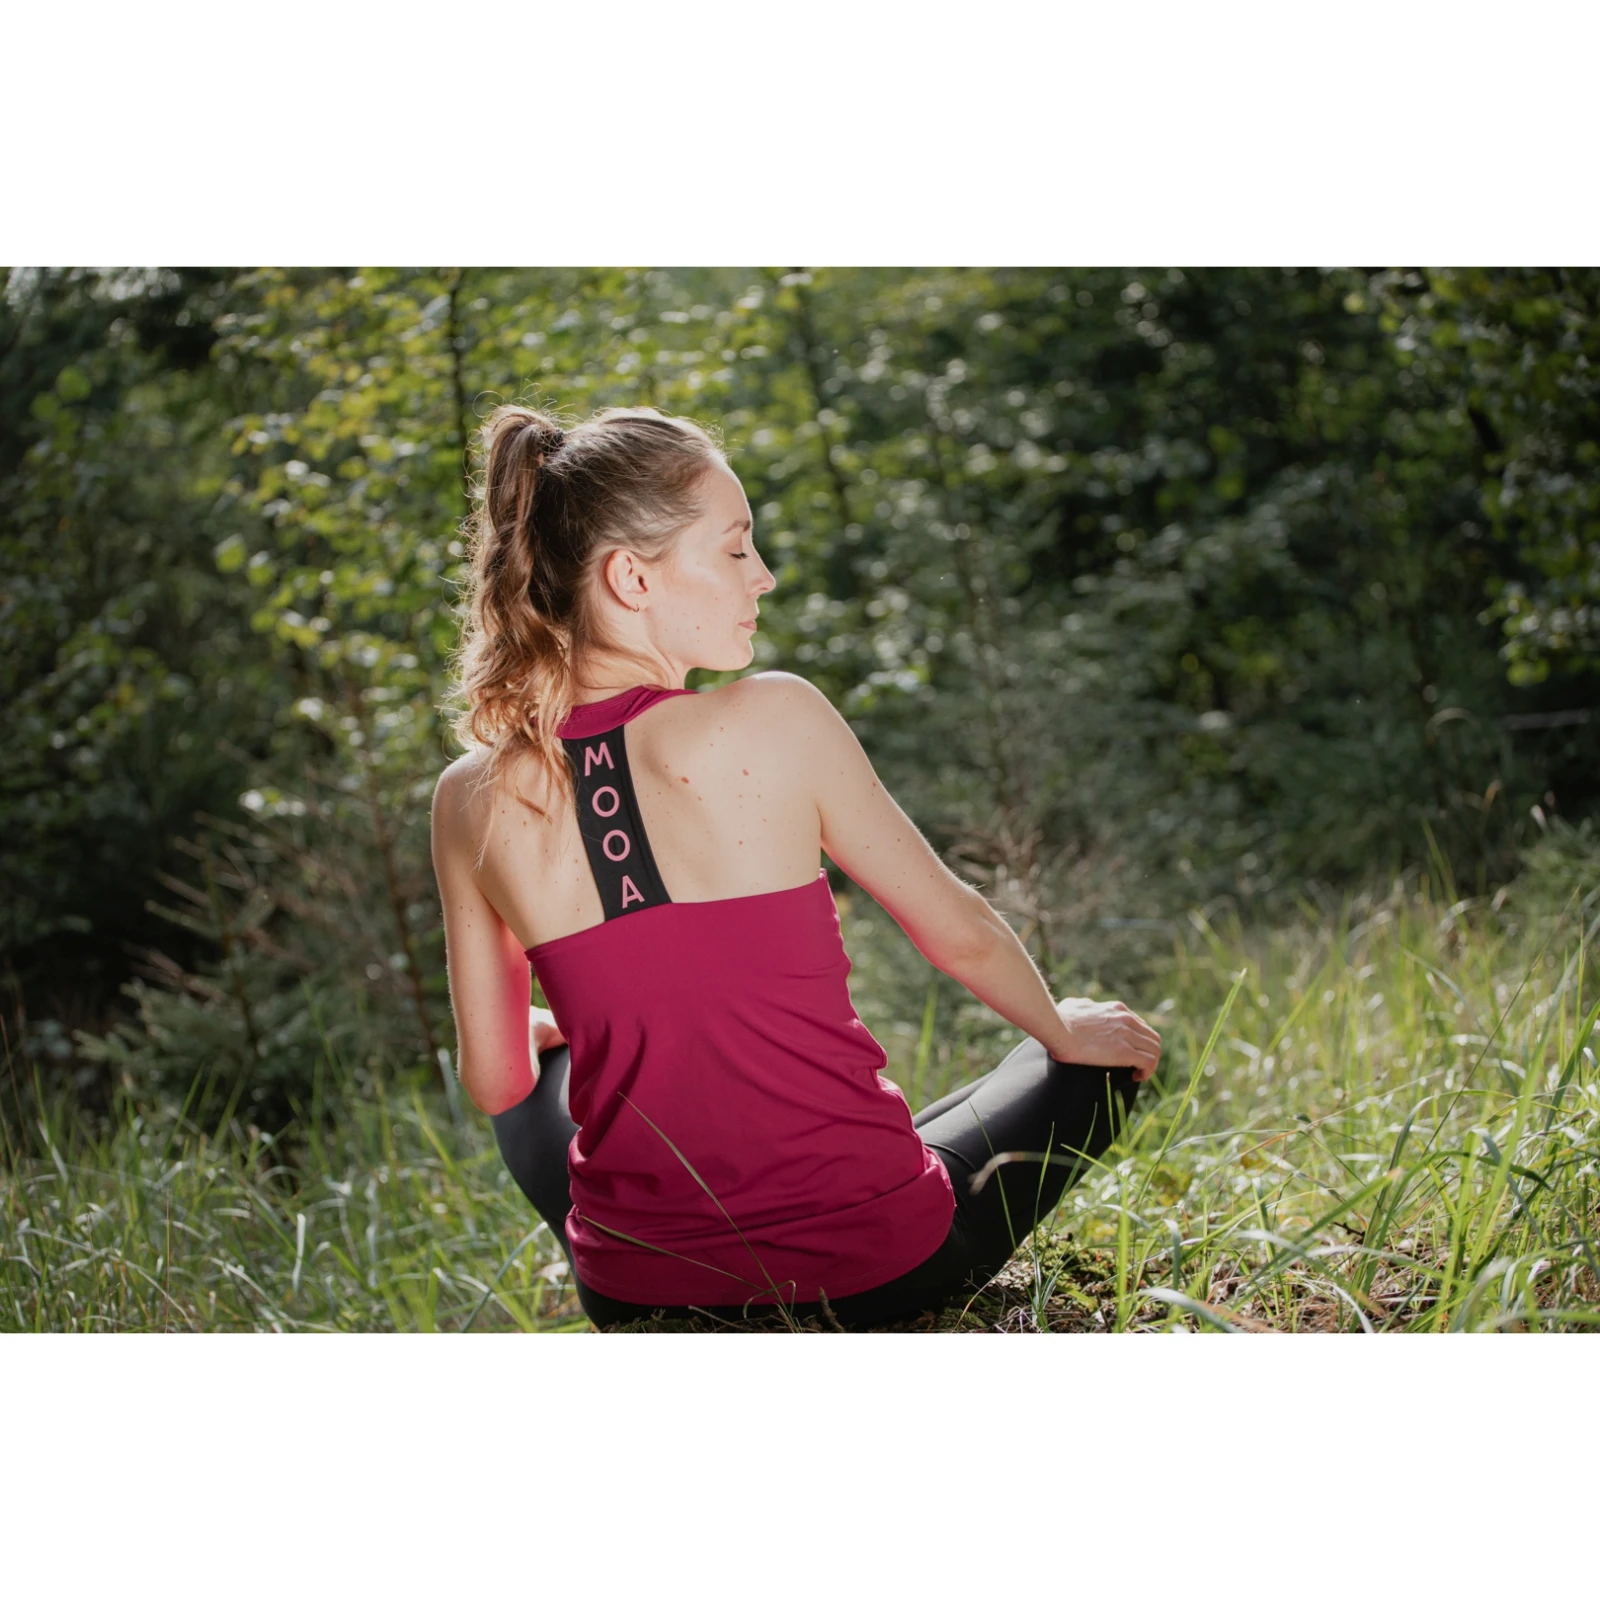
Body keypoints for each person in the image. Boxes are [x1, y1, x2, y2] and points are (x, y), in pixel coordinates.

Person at [430, 403, 1163, 1331]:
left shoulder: (467, 796)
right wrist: (1059, 1028)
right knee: (1088, 1055)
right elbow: (960, 935)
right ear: (631, 577)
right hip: (876, 1277)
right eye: (736, 547)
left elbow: (495, 1084)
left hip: (639, 1299)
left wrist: (544, 1034)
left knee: (544, 1069)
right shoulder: (777, 715)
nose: (763, 576)